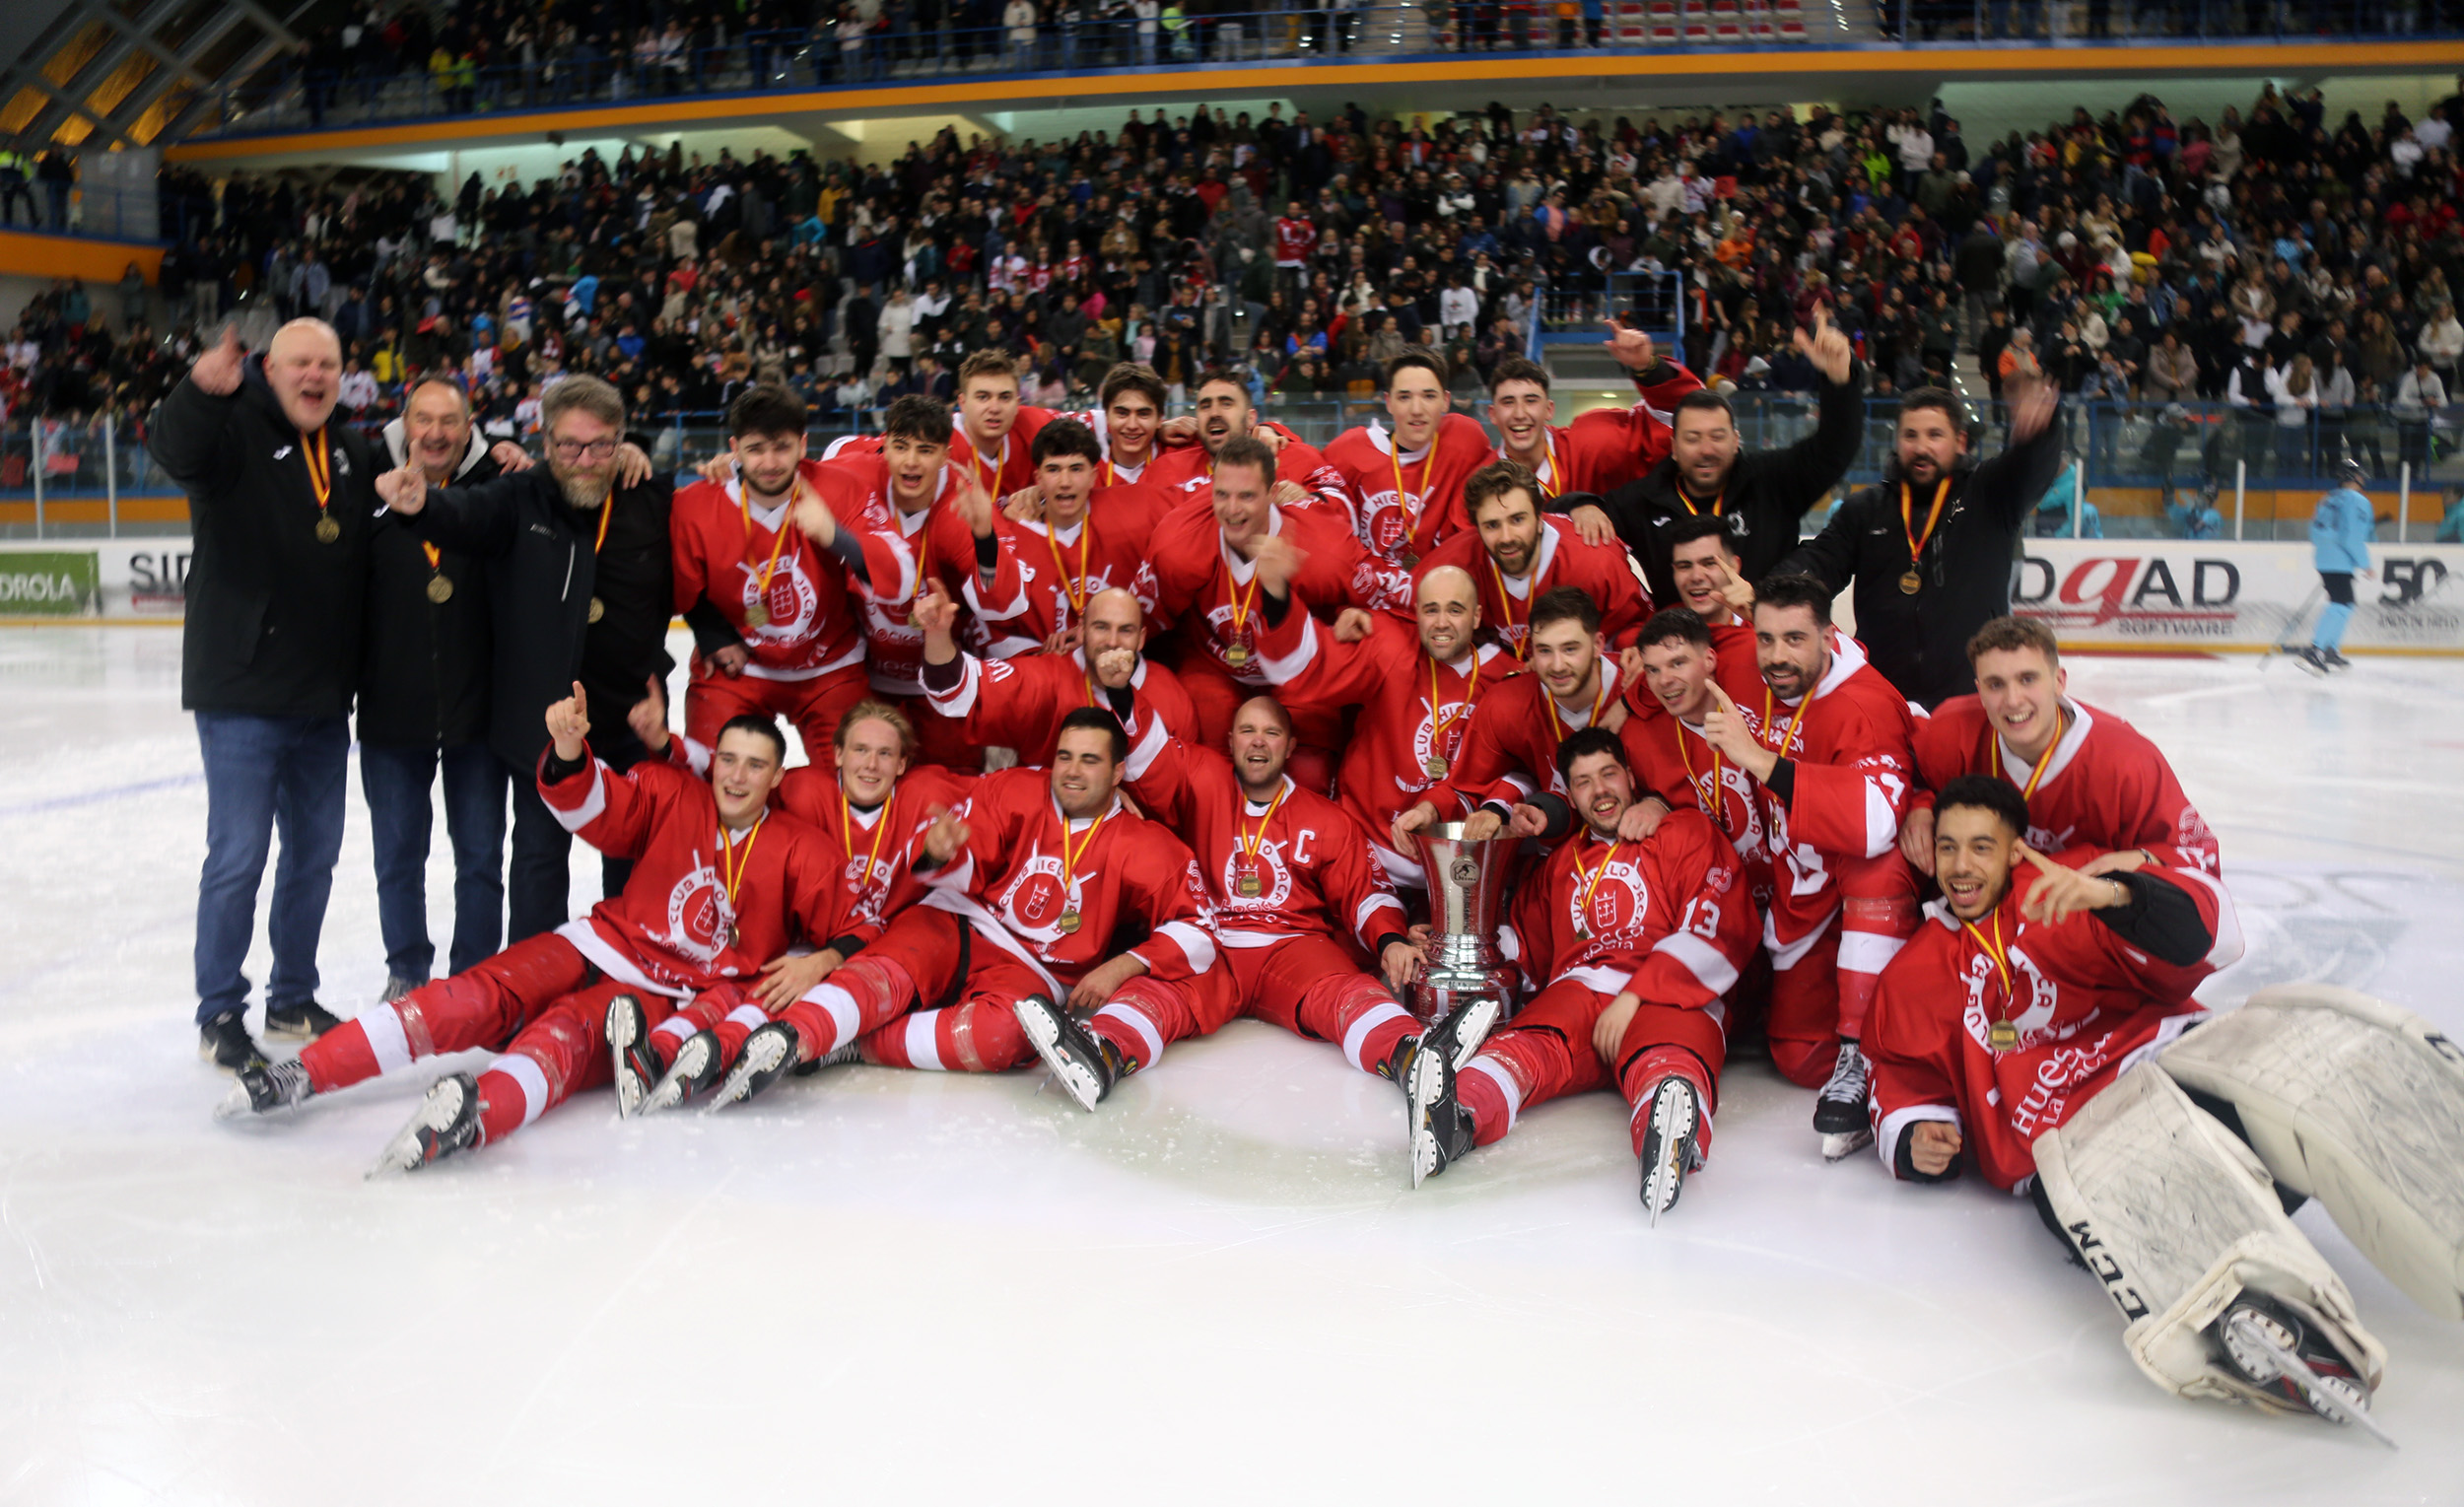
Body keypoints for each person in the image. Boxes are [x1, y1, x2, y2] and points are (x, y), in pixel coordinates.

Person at [1867, 777, 2464, 1434]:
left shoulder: (2072, 890)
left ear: (2015, 852)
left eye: (1981, 846)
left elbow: (2203, 934)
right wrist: (1915, 1132)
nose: (1960, 865)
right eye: (1948, 847)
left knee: (2302, 1066)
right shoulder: (1914, 973)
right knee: (2132, 1180)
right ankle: (2263, 1321)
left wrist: (2122, 894)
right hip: (2077, 1143)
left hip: (2178, 1071)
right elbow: (1899, 1076)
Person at [1404, 728, 1760, 1219]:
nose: (1600, 791)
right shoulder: (1562, 863)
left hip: (1667, 991)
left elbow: (1716, 924)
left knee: (1672, 1055)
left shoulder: (1684, 833)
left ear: (1632, 777)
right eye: (1584, 782)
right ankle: (1456, 1115)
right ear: (1570, 796)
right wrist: (1451, 943)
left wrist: (1634, 998)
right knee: (1526, 1045)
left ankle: (1670, 1131)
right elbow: (1527, 948)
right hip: (1583, 991)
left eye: (1609, 774)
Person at [373, 375, 676, 944]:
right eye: (569, 445)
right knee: (538, 861)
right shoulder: (519, 497)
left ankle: (630, 980)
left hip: (630, 722)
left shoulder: (650, 498)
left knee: (633, 862)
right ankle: (535, 986)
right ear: (545, 441)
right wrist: (420, 508)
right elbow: (465, 514)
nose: (585, 459)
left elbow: (692, 582)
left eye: (602, 444)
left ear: (620, 440)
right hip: (545, 727)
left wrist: (660, 668)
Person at [149, 320, 372, 1069]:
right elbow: (173, 449)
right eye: (300, 363)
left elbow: (432, 456)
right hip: (242, 691)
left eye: (328, 364)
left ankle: (291, 998)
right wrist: (196, 394)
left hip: (321, 698)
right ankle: (219, 1011)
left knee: (314, 856)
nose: (315, 375)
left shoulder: (350, 446)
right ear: (269, 370)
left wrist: (491, 450)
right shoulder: (231, 431)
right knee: (239, 855)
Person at [1114, 688, 1481, 1098]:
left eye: (1270, 732)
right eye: (1247, 730)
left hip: (1294, 945)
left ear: (1289, 747)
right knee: (1157, 991)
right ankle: (1105, 1048)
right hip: (1212, 941)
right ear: (1231, 741)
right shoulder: (1203, 785)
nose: (1257, 740)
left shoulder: (1326, 818)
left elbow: (1364, 892)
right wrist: (1120, 690)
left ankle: (1412, 1056)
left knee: (1348, 991)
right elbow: (1157, 759)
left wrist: (1391, 939)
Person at [617, 694, 974, 1113]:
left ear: (901, 764)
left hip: (886, 949)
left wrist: (939, 854)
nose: (870, 765)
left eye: (884, 754)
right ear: (837, 754)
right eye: (859, 750)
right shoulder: (802, 789)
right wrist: (664, 743)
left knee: (807, 980)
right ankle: (668, 1051)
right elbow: (734, 772)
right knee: (758, 976)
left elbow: (998, 810)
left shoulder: (925, 795)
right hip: (822, 937)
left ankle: (732, 1046)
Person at [1691, 573, 1917, 1158]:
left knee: (1879, 866)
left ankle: (1863, 1055)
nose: (1776, 656)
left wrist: (1756, 759)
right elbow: (1674, 672)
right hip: (1801, 888)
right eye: (1766, 639)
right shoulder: (1750, 665)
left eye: (1794, 639)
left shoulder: (1863, 705)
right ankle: (1858, 1038)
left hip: (1864, 883)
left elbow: (1874, 825)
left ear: (1827, 635)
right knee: (1794, 1055)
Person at [362, 377, 532, 1001]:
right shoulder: (365, 483)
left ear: (469, 427)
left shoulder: (501, 485)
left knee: (482, 859)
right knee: (398, 858)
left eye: (448, 421)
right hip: (390, 714)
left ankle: (473, 979)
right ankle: (407, 972)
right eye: (423, 420)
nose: (434, 433)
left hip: (479, 716)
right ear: (404, 424)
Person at [1779, 377, 2061, 710]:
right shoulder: (1866, 509)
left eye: (1934, 435)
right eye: (1910, 435)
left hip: (1971, 696)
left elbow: (2031, 469)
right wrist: (1773, 588)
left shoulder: (1990, 495)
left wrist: (2039, 435)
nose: (1921, 447)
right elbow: (1820, 561)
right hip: (1884, 697)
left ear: (1961, 441)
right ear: (1897, 441)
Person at [1146, 433, 1406, 788]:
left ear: (1272, 492)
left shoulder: (1322, 547)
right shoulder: (1179, 544)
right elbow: (1150, 614)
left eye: (1247, 496)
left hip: (1297, 675)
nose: (1232, 509)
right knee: (1208, 774)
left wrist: (1355, 610)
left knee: (1311, 773)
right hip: (1214, 665)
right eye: (1222, 494)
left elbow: (1391, 588)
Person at [1559, 310, 1865, 606]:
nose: (1706, 449)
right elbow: (1554, 514)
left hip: (1764, 644)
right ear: (1674, 447)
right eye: (1693, 439)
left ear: (1736, 441)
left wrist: (1841, 382)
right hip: (1679, 650)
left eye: (1717, 437)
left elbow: (1833, 449)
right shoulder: (1642, 500)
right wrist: (1581, 503)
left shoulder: (1773, 481)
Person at [670, 384, 913, 755]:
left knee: (853, 788)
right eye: (755, 449)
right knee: (711, 776)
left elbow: (903, 576)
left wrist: (836, 536)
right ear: (734, 449)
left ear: (803, 444)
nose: (769, 463)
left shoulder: (841, 489)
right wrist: (711, 632)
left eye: (782, 447)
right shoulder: (694, 506)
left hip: (832, 667)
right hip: (740, 669)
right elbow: (671, 590)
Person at [1900, 617, 2219, 878]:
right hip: (1981, 903)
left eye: (2028, 679)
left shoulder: (2127, 761)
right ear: (1979, 691)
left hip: (2081, 916)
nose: (2013, 700)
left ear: (2059, 681)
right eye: (1996, 685)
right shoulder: (1951, 730)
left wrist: (2140, 860)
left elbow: (2199, 855)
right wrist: (1921, 806)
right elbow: (1908, 774)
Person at [1393, 585, 1636, 845]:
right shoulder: (1507, 703)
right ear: (1530, 650)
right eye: (1544, 650)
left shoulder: (1639, 690)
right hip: (1558, 858)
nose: (1556, 665)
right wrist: (1428, 809)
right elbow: (1466, 785)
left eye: (1570, 649)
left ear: (1598, 644)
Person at [1408, 459, 1649, 661]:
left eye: (1517, 520)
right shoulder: (1452, 564)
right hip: (1499, 685)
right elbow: (1403, 608)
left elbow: (1639, 627)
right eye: (1492, 525)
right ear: (1476, 528)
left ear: (1539, 518)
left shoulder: (1595, 561)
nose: (1506, 537)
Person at [973, 418, 1168, 655]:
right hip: (1046, 677)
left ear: (1093, 475)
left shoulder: (1138, 510)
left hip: (1124, 666)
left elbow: (1210, 502)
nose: (1065, 483)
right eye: (1053, 470)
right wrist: (1038, 655)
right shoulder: (1011, 539)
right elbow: (989, 626)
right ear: (1038, 478)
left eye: (1076, 469)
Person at [1322, 347, 1500, 568]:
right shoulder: (1350, 450)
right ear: (1388, 402)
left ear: (1445, 401)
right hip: (1370, 595)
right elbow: (1302, 470)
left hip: (1439, 592)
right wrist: (1278, 433)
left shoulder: (1465, 439)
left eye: (1428, 396)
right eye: (1404, 397)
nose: (1417, 409)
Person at [1482, 343, 1699, 500]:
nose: (1520, 413)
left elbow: (1685, 415)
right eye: (1508, 402)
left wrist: (1648, 367)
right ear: (1492, 414)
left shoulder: (1589, 444)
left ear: (1549, 410)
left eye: (1531, 401)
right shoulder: (1479, 482)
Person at [2299, 457, 2376, 673]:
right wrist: (2365, 564)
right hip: (2340, 560)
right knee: (2341, 604)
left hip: (2324, 558)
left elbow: (2314, 531)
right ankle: (2316, 650)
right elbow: (2351, 537)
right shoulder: (2359, 501)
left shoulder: (2327, 499)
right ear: (2354, 477)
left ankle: (2330, 649)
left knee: (2346, 604)